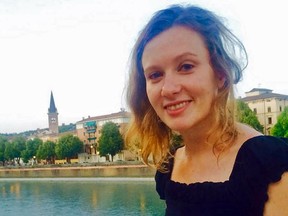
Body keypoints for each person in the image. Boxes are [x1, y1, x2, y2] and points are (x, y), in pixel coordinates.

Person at [125, 4, 288, 216]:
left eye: (186, 67)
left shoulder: (272, 164)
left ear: (220, 75)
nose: (169, 89)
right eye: (155, 75)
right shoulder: (170, 165)